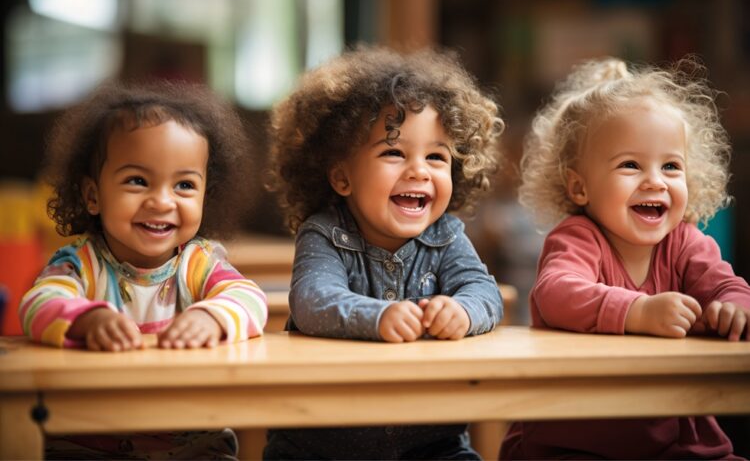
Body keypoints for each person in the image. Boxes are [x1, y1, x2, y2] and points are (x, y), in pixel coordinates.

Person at [501, 57, 750, 460]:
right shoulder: (578, 238)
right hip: (573, 439)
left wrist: (737, 308)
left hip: (673, 438)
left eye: (671, 166)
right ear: (580, 187)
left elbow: (726, 285)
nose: (655, 180)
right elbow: (556, 293)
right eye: (630, 165)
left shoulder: (687, 242)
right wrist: (638, 311)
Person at [264, 46, 505, 460]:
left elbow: (485, 292)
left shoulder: (446, 234)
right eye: (393, 152)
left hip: (431, 445)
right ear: (342, 177)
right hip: (319, 446)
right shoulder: (324, 233)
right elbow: (312, 301)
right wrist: (379, 317)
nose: (419, 171)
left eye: (436, 156)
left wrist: (463, 311)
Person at [19, 81, 268, 459]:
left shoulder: (199, 263)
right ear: (92, 196)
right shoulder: (81, 264)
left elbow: (250, 299)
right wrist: (87, 320)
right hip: (87, 442)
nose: (162, 201)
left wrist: (212, 317)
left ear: (205, 196)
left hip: (193, 444)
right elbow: (37, 304)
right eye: (138, 181)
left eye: (184, 185)